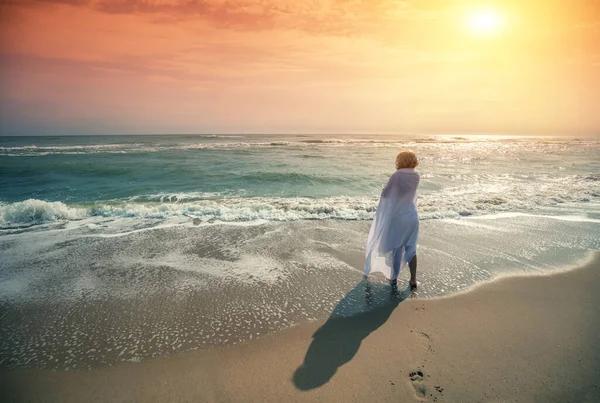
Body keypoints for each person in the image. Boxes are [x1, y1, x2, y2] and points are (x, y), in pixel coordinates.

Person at [364, 149, 420, 289]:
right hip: (412, 216)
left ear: (400, 161)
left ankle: (393, 279)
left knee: (396, 248)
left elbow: (386, 194)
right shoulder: (416, 175)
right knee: (411, 249)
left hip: (399, 217)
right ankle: (413, 279)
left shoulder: (397, 175)